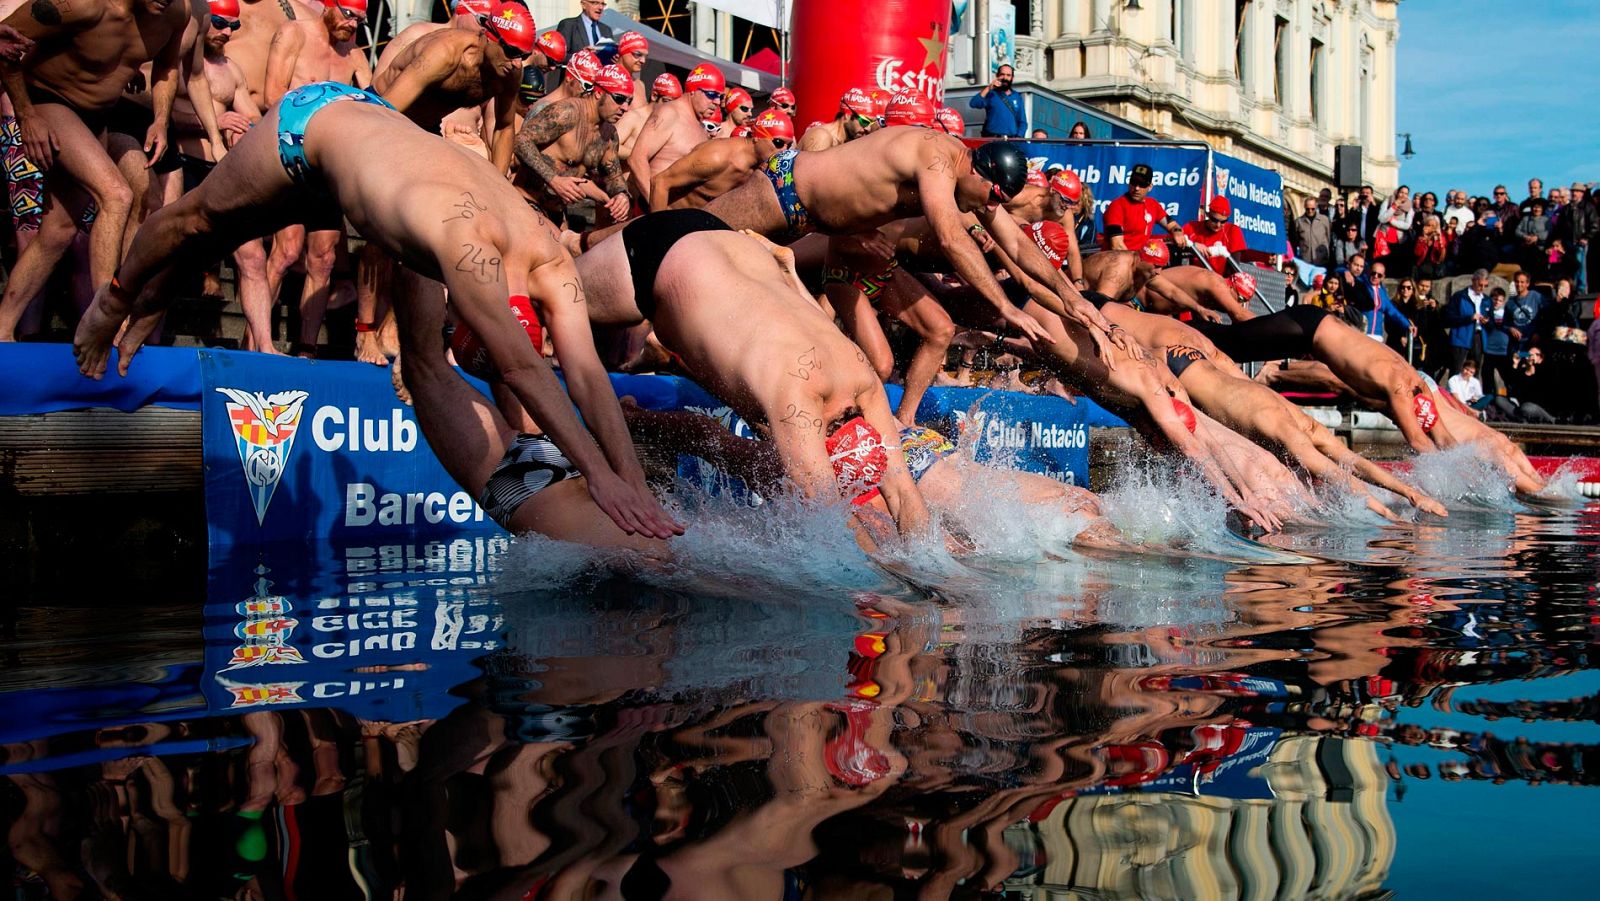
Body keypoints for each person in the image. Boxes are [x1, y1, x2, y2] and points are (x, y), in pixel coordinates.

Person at [72, 82, 683, 541]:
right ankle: (117, 299)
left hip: (393, 169)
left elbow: (585, 374)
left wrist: (629, 480)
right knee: (197, 222)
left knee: (416, 359)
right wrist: (599, 477)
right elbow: (524, 368)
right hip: (315, 128)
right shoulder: (465, 250)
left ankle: (150, 300)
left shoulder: (552, 261)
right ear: (470, 314)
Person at [576, 213, 933, 537]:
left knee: (755, 448)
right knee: (542, 289)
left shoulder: (863, 377)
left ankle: (660, 359)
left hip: (727, 238)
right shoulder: (798, 398)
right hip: (663, 258)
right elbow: (831, 521)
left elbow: (904, 495)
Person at [699, 127, 1125, 357]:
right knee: (687, 238)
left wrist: (1074, 298)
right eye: (994, 197)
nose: (993, 207)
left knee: (718, 283)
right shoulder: (937, 157)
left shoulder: (973, 180)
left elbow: (1017, 245)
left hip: (822, 228)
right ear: (980, 173)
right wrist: (1005, 307)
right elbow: (950, 237)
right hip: (785, 190)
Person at [0, 0, 212, 342]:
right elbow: (4, 41)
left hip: (96, 116)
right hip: (48, 101)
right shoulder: (81, 5)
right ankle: (102, 329)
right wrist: (26, 116)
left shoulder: (175, 13)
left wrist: (160, 119)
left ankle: (1, 328)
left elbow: (167, 67)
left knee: (57, 232)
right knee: (116, 195)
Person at [263, 0, 374, 356]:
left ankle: (306, 349)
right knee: (286, 251)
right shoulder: (294, 34)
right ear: (330, 5)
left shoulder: (355, 56)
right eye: (347, 15)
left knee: (324, 258)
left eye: (359, 20)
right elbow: (271, 96)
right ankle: (257, 344)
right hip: (291, 157)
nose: (352, 26)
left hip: (327, 170)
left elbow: (374, 105)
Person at [371, 1, 529, 173]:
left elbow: (504, 127)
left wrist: (499, 184)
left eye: (524, 55)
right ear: (489, 36)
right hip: (380, 110)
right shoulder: (446, 51)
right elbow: (385, 111)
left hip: (427, 127)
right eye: (512, 52)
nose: (518, 63)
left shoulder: (510, 72)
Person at [511, 62, 633, 226]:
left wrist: (622, 195)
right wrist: (553, 179)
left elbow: (614, 177)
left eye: (629, 101)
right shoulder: (567, 112)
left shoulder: (609, 135)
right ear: (598, 92)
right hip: (525, 201)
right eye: (619, 99)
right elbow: (520, 141)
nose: (624, 107)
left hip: (556, 212)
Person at [647, 108, 793, 212]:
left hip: (698, 233)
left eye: (789, 145)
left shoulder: (762, 169)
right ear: (757, 137)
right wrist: (660, 234)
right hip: (672, 220)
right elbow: (660, 182)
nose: (784, 150)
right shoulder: (716, 156)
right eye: (779, 143)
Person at [626, 62, 721, 209]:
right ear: (693, 90)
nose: (717, 102)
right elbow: (637, 159)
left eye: (720, 97)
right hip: (652, 212)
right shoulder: (670, 113)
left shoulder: (701, 127)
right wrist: (658, 209)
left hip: (679, 217)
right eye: (711, 94)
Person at [1102, 163, 1189, 253]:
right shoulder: (1117, 206)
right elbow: (1117, 245)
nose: (1136, 188)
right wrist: (1137, 261)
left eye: (1142, 184)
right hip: (1118, 260)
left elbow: (1173, 225)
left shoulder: (1153, 204)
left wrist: (1177, 233)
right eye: (1134, 182)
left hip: (1140, 258)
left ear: (1150, 187)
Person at [798, 85, 881, 152]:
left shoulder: (849, 142)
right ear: (847, 115)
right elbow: (813, 172)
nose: (868, 128)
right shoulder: (821, 138)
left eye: (871, 123)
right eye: (864, 121)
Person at [1351, 259, 1414, 345]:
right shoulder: (1361, 283)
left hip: (1377, 336)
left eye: (1379, 275)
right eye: (1373, 273)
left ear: (1383, 277)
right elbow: (1342, 270)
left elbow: (1393, 312)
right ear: (1369, 272)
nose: (1375, 276)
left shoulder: (1382, 292)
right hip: (1362, 332)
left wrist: (1407, 324)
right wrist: (1345, 272)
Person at [1182, 195, 1247, 275]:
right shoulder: (1192, 228)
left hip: (1220, 281)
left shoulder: (1232, 231)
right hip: (1194, 278)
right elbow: (1173, 242)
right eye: (1214, 220)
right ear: (1208, 215)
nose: (1218, 225)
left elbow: (1233, 267)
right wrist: (1193, 245)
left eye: (1223, 222)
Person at [1444, 268, 1491, 374]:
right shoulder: (1459, 296)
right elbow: (1449, 318)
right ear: (1473, 280)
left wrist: (1487, 321)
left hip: (1479, 337)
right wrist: (1469, 318)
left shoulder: (1487, 300)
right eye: (1480, 285)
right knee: (1456, 370)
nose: (1482, 288)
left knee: (1475, 371)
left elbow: (1491, 322)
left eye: (1485, 285)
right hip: (1460, 337)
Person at [968, 63, 1024, 137]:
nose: (1005, 77)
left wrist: (1018, 137)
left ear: (1012, 78)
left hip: (1010, 141)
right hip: (992, 139)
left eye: (1008, 75)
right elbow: (973, 103)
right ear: (997, 76)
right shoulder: (991, 94)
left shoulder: (1017, 96)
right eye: (1002, 74)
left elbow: (1023, 122)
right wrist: (988, 88)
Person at [1480, 287, 1513, 396]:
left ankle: (1511, 399)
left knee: (1508, 378)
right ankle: (1488, 401)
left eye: (1500, 300)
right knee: (1487, 378)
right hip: (1489, 351)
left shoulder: (1507, 313)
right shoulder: (1486, 312)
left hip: (1503, 351)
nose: (1497, 302)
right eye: (1495, 299)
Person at [1504, 270, 1545, 358]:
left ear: (1528, 284)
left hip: (1532, 342)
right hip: (1517, 344)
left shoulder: (1536, 296)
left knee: (1529, 366)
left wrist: (1539, 332)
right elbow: (1504, 323)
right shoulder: (1510, 303)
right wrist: (1510, 329)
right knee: (1517, 365)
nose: (1519, 284)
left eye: (1522, 282)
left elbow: (1546, 316)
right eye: (1517, 281)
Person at [1293, 195, 1332, 267]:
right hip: (1305, 261)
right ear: (1304, 207)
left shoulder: (1324, 220)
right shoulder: (1298, 222)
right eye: (1308, 209)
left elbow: (1329, 238)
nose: (1310, 211)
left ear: (1316, 207)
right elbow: (1295, 241)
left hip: (1321, 261)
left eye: (1312, 209)